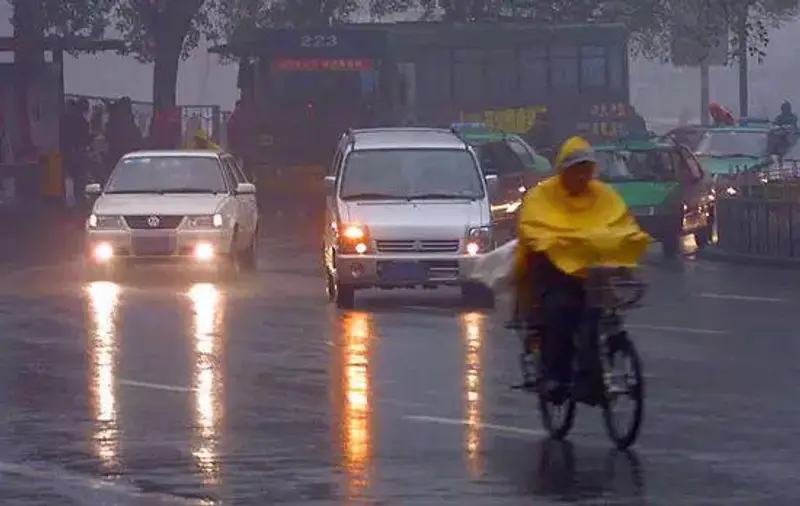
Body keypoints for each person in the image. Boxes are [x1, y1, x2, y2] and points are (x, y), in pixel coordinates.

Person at [513, 136, 650, 402]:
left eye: (587, 169)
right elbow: (534, 228)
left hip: (595, 275)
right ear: (564, 170)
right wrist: (556, 245)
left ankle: (593, 375)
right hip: (554, 274)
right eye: (577, 169)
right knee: (561, 312)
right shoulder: (543, 195)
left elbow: (619, 223)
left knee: (598, 316)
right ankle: (556, 376)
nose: (582, 175)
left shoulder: (603, 195)